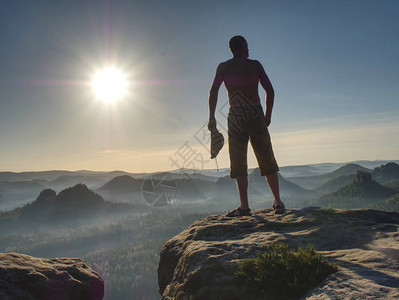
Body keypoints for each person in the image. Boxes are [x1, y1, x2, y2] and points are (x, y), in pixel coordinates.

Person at [208, 35, 285, 216]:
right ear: (242, 47)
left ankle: (244, 207)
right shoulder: (255, 65)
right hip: (255, 113)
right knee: (266, 157)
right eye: (247, 46)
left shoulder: (223, 67)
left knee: (238, 160)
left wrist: (211, 117)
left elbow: (213, 92)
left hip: (235, 115)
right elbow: (270, 90)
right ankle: (278, 202)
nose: (249, 49)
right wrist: (267, 116)